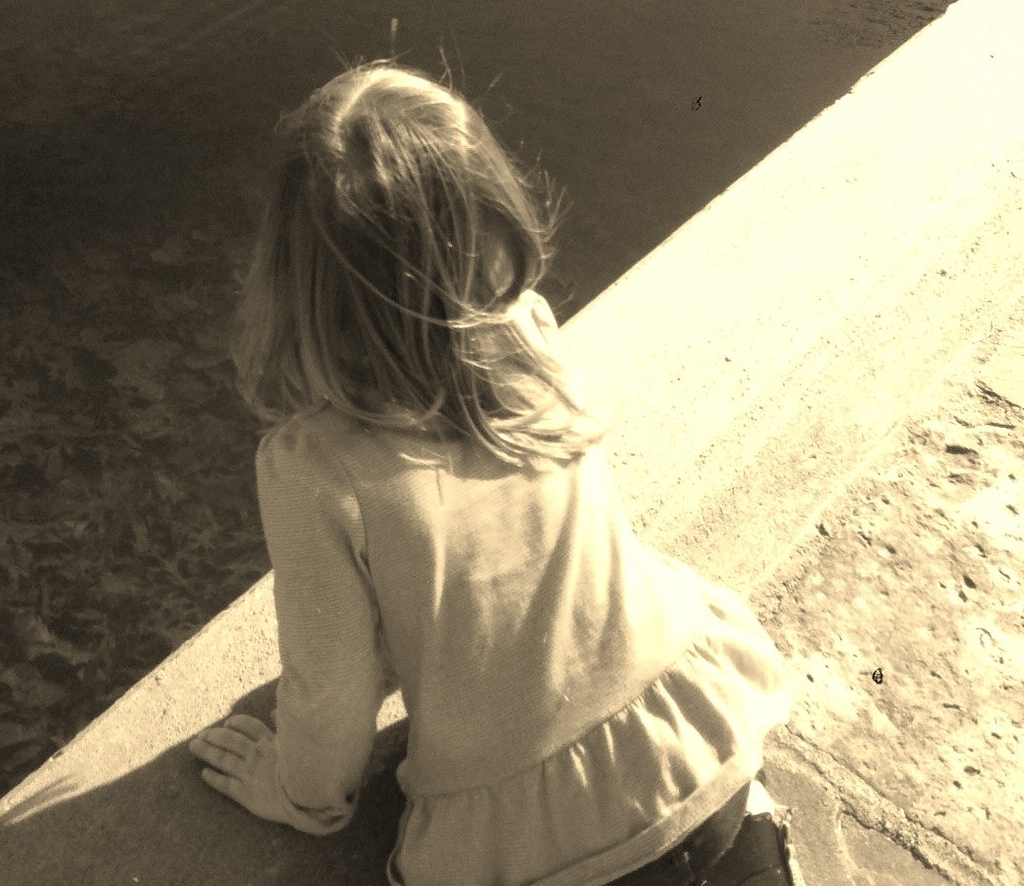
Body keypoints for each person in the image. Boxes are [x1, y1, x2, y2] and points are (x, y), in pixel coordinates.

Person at [190, 65, 798, 886]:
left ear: (295, 281)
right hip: (700, 768)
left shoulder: (312, 469)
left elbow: (332, 697)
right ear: (491, 217)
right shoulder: (529, 334)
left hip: (537, 849)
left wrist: (297, 794)